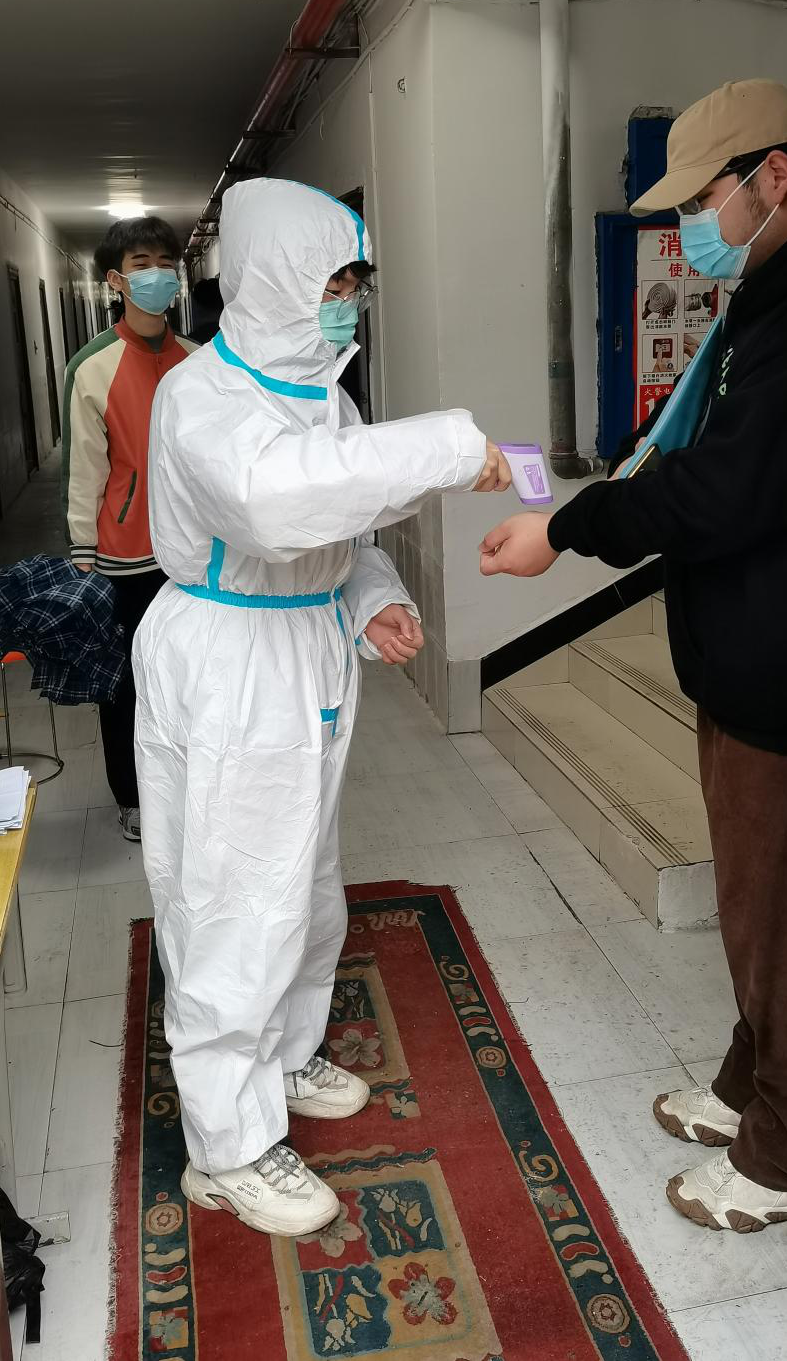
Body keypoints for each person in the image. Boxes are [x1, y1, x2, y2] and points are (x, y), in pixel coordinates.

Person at [479, 79, 787, 1234]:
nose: (692, 226)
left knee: (779, 913)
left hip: (784, 670)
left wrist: (567, 527)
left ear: (773, 176)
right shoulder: (767, 297)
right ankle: (751, 1082)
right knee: (752, 906)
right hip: (742, 657)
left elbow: (726, 487)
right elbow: (687, 453)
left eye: (701, 199)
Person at [133, 178, 510, 1238]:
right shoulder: (201, 396)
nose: (347, 303)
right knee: (232, 898)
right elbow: (275, 506)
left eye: (354, 283)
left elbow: (344, 523)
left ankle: (285, 1055)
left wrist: (371, 598)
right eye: (331, 283)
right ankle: (227, 1148)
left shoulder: (324, 396)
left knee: (301, 881)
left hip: (302, 649)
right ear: (271, 282)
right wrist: (449, 447)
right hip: (233, 657)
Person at [61, 216, 193, 841]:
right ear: (116, 280)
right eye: (142, 264)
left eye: (166, 262)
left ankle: (189, 784)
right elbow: (84, 468)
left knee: (192, 674)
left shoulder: (199, 360)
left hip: (194, 553)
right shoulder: (93, 367)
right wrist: (82, 552)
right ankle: (133, 796)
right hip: (125, 555)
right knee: (125, 682)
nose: (157, 274)